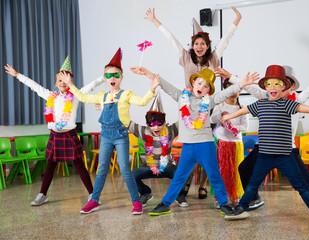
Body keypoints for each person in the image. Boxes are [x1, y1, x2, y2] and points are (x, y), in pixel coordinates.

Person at [217, 54, 309, 220]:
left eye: (282, 83)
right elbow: (251, 88)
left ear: (290, 86)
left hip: (287, 150)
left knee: (307, 180)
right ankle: (254, 198)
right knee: (244, 168)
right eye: (273, 83)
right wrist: (230, 76)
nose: (277, 87)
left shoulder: (296, 101)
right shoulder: (266, 98)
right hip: (265, 148)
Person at [131, 66, 259, 217]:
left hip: (205, 144)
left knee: (214, 175)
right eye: (199, 83)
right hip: (188, 146)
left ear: (208, 91)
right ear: (193, 84)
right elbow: (164, 84)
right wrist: (147, 72)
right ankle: (165, 204)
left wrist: (242, 84)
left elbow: (227, 92)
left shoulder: (210, 100)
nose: (201, 87)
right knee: (179, 177)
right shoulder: (181, 97)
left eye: (205, 86)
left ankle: (224, 204)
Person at [145, 7, 242, 198]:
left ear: (207, 46)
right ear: (192, 45)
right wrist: (155, 21)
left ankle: (204, 184)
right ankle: (187, 181)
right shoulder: (185, 58)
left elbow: (226, 41)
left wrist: (236, 20)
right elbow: (171, 39)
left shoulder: (213, 58)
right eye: (196, 43)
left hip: (208, 110)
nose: (199, 46)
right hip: (189, 107)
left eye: (203, 44)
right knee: (190, 149)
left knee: (208, 152)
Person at [60, 48, 159, 214]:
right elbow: (83, 98)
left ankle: (136, 201)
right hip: (106, 136)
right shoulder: (102, 96)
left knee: (125, 169)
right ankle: (94, 200)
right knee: (102, 169)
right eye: (108, 75)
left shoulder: (126, 94)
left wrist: (151, 89)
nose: (112, 78)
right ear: (104, 78)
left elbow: (142, 102)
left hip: (120, 136)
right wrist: (70, 84)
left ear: (121, 76)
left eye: (115, 75)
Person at [4, 56, 104, 206]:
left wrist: (105, 76)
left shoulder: (75, 96)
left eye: (66, 80)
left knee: (79, 164)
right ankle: (42, 194)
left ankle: (92, 195)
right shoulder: (50, 96)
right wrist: (18, 75)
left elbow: (91, 86)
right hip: (54, 135)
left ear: (71, 82)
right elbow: (34, 86)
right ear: (56, 83)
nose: (62, 83)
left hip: (70, 135)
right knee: (50, 164)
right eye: (59, 80)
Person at [129, 93, 188, 207]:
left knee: (183, 172)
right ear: (147, 124)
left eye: (160, 124)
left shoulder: (171, 130)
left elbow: (183, 120)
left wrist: (187, 104)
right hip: (149, 167)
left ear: (164, 123)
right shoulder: (144, 131)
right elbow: (127, 123)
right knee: (131, 175)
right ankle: (146, 193)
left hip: (168, 166)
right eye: (152, 124)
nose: (156, 128)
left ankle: (179, 195)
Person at [210, 76, 248, 208]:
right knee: (221, 171)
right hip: (221, 142)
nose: (233, 92)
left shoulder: (242, 108)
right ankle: (220, 197)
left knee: (236, 171)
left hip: (236, 144)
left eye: (236, 89)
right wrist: (221, 116)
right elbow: (212, 119)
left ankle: (235, 195)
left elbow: (245, 127)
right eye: (229, 89)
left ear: (240, 91)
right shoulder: (220, 105)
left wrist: (233, 127)